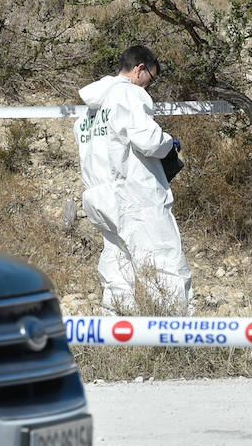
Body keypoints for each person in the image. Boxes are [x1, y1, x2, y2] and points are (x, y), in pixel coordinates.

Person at [75, 45, 193, 312]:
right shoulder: (128, 93)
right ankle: (176, 336)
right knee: (165, 262)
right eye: (151, 78)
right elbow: (148, 140)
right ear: (140, 69)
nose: (149, 86)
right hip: (133, 194)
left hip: (99, 195)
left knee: (118, 267)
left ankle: (115, 334)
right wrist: (168, 143)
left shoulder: (91, 111)